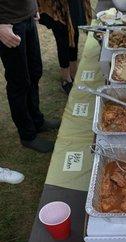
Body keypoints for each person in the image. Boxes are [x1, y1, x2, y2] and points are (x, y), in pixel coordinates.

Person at [0, 0, 60, 153]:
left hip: (27, 17)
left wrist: (33, 6)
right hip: (8, 24)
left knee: (35, 72)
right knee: (19, 81)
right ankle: (27, 135)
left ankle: (37, 121)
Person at [38, 0, 92, 94]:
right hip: (55, 5)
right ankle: (66, 78)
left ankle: (73, 72)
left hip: (72, 4)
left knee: (74, 34)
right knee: (62, 38)